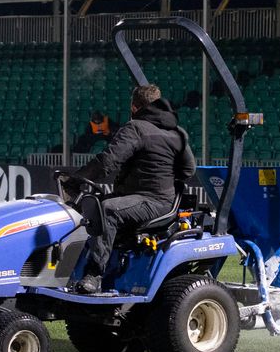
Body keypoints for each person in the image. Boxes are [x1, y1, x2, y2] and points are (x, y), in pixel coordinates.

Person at [73, 84, 196, 294]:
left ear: (134, 107)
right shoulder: (178, 133)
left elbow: (107, 162)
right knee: (95, 204)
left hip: (150, 200)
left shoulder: (136, 128)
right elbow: (189, 169)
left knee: (107, 210)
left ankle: (94, 274)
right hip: (162, 201)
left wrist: (77, 179)